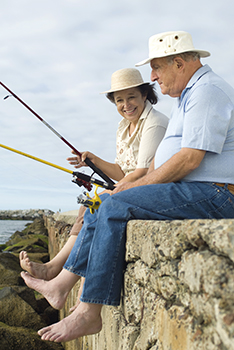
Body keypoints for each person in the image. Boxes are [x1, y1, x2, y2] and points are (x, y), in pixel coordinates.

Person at [21, 31, 234, 343]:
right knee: (104, 204)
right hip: (201, 189)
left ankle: (87, 312)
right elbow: (171, 161)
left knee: (115, 204)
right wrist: (132, 183)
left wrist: (136, 185)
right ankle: (61, 284)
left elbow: (188, 160)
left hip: (218, 193)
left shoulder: (207, 91)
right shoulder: (191, 94)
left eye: (157, 68)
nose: (153, 76)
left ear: (178, 62)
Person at [19, 67, 168, 306]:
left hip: (147, 187)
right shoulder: (123, 126)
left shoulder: (155, 123)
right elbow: (121, 170)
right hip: (129, 186)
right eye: (119, 100)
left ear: (144, 95)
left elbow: (143, 172)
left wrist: (114, 190)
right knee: (86, 206)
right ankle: (52, 267)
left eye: (131, 97)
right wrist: (92, 159)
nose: (126, 104)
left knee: (95, 206)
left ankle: (57, 276)